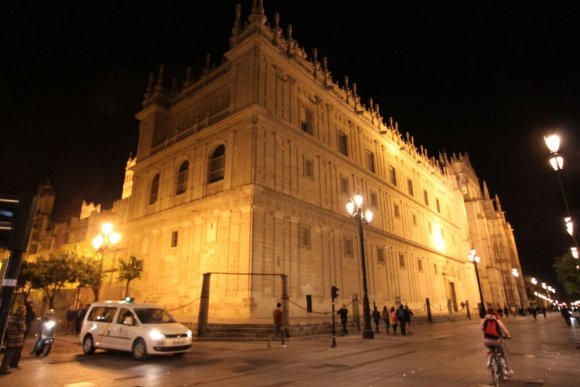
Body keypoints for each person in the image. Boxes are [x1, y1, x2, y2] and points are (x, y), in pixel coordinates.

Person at [481, 307, 513, 376]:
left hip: (486, 341)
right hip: (496, 340)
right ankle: (507, 369)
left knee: (489, 348)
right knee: (503, 353)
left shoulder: (483, 320)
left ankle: (490, 357)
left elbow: (482, 329)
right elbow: (505, 330)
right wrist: (508, 335)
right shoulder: (497, 320)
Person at [0, 305, 27, 374]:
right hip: (16, 339)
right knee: (10, 354)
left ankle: (5, 367)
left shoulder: (12, 316)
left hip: (10, 337)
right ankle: (4, 368)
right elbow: (22, 329)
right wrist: (25, 327)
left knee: (8, 353)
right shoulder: (20, 318)